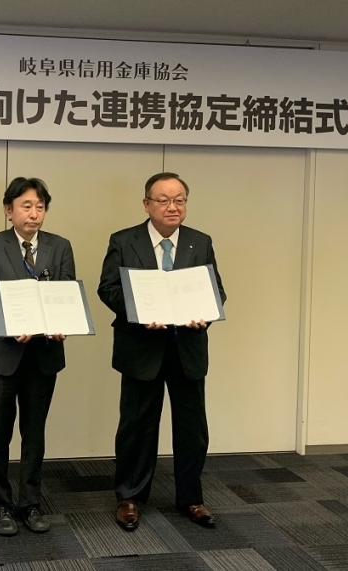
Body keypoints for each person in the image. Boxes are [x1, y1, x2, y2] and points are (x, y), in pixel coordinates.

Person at [97, 172, 226, 531]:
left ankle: (191, 498)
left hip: (188, 348)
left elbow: (216, 291)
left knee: (192, 429)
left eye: (180, 200)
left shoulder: (200, 241)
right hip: (142, 348)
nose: (173, 207)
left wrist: (205, 315)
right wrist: (140, 312)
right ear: (147, 204)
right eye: (164, 200)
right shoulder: (124, 240)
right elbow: (108, 288)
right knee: (137, 426)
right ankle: (130, 497)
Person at [0, 177, 76, 536]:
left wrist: (62, 322)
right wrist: (9, 324)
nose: (34, 214)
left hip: (43, 354)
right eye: (26, 206)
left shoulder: (60, 246)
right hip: (3, 353)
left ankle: (30, 502)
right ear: (9, 210)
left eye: (40, 207)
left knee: (34, 434)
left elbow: (65, 293)